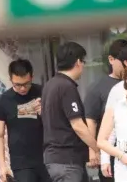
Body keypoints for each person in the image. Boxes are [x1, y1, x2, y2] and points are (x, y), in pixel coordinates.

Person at [42, 42, 100, 182]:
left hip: (54, 158)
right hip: (67, 161)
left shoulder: (50, 85)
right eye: (83, 62)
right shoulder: (66, 87)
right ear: (78, 62)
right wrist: (97, 148)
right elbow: (78, 125)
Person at [0, 59, 49, 182]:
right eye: (17, 85)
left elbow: (57, 122)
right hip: (21, 163)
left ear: (32, 77)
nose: (23, 88)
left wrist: (45, 113)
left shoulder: (44, 92)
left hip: (47, 157)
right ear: (10, 79)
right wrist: (2, 166)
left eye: (26, 83)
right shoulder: (3, 101)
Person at [86, 39, 127, 182]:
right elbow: (91, 120)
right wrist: (93, 151)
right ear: (111, 59)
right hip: (110, 151)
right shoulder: (98, 87)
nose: (126, 64)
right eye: (123, 60)